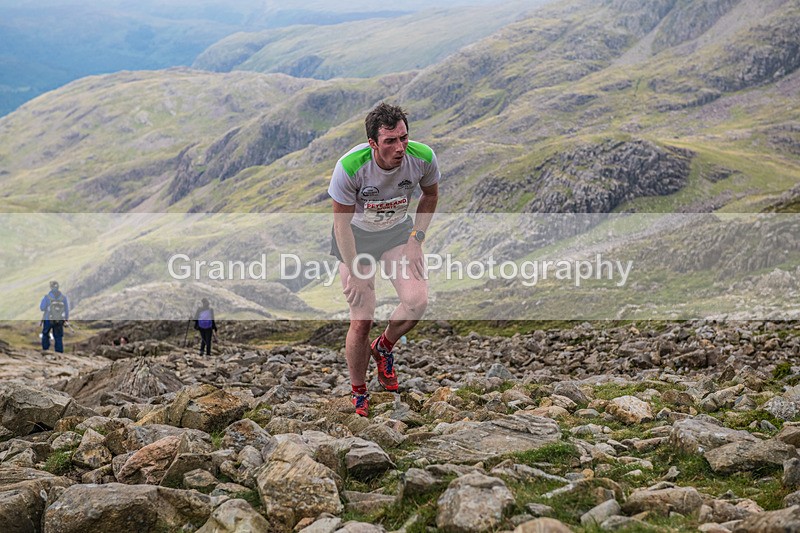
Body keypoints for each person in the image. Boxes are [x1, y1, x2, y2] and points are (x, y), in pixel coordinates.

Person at [328, 102, 440, 417]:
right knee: (361, 319)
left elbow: (430, 196)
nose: (400, 147)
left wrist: (416, 240)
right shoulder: (350, 167)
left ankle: (385, 347)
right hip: (355, 238)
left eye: (403, 138)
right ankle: (359, 392)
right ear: (373, 144)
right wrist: (356, 271)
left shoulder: (423, 158)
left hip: (396, 233)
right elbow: (340, 224)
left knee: (417, 302)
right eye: (390, 141)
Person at [40, 281, 69, 353]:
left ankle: (45, 350)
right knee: (58, 337)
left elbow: (42, 308)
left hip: (48, 319)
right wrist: (66, 319)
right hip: (59, 320)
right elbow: (66, 310)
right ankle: (59, 352)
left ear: (51, 287)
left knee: (45, 334)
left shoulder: (47, 297)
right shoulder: (63, 298)